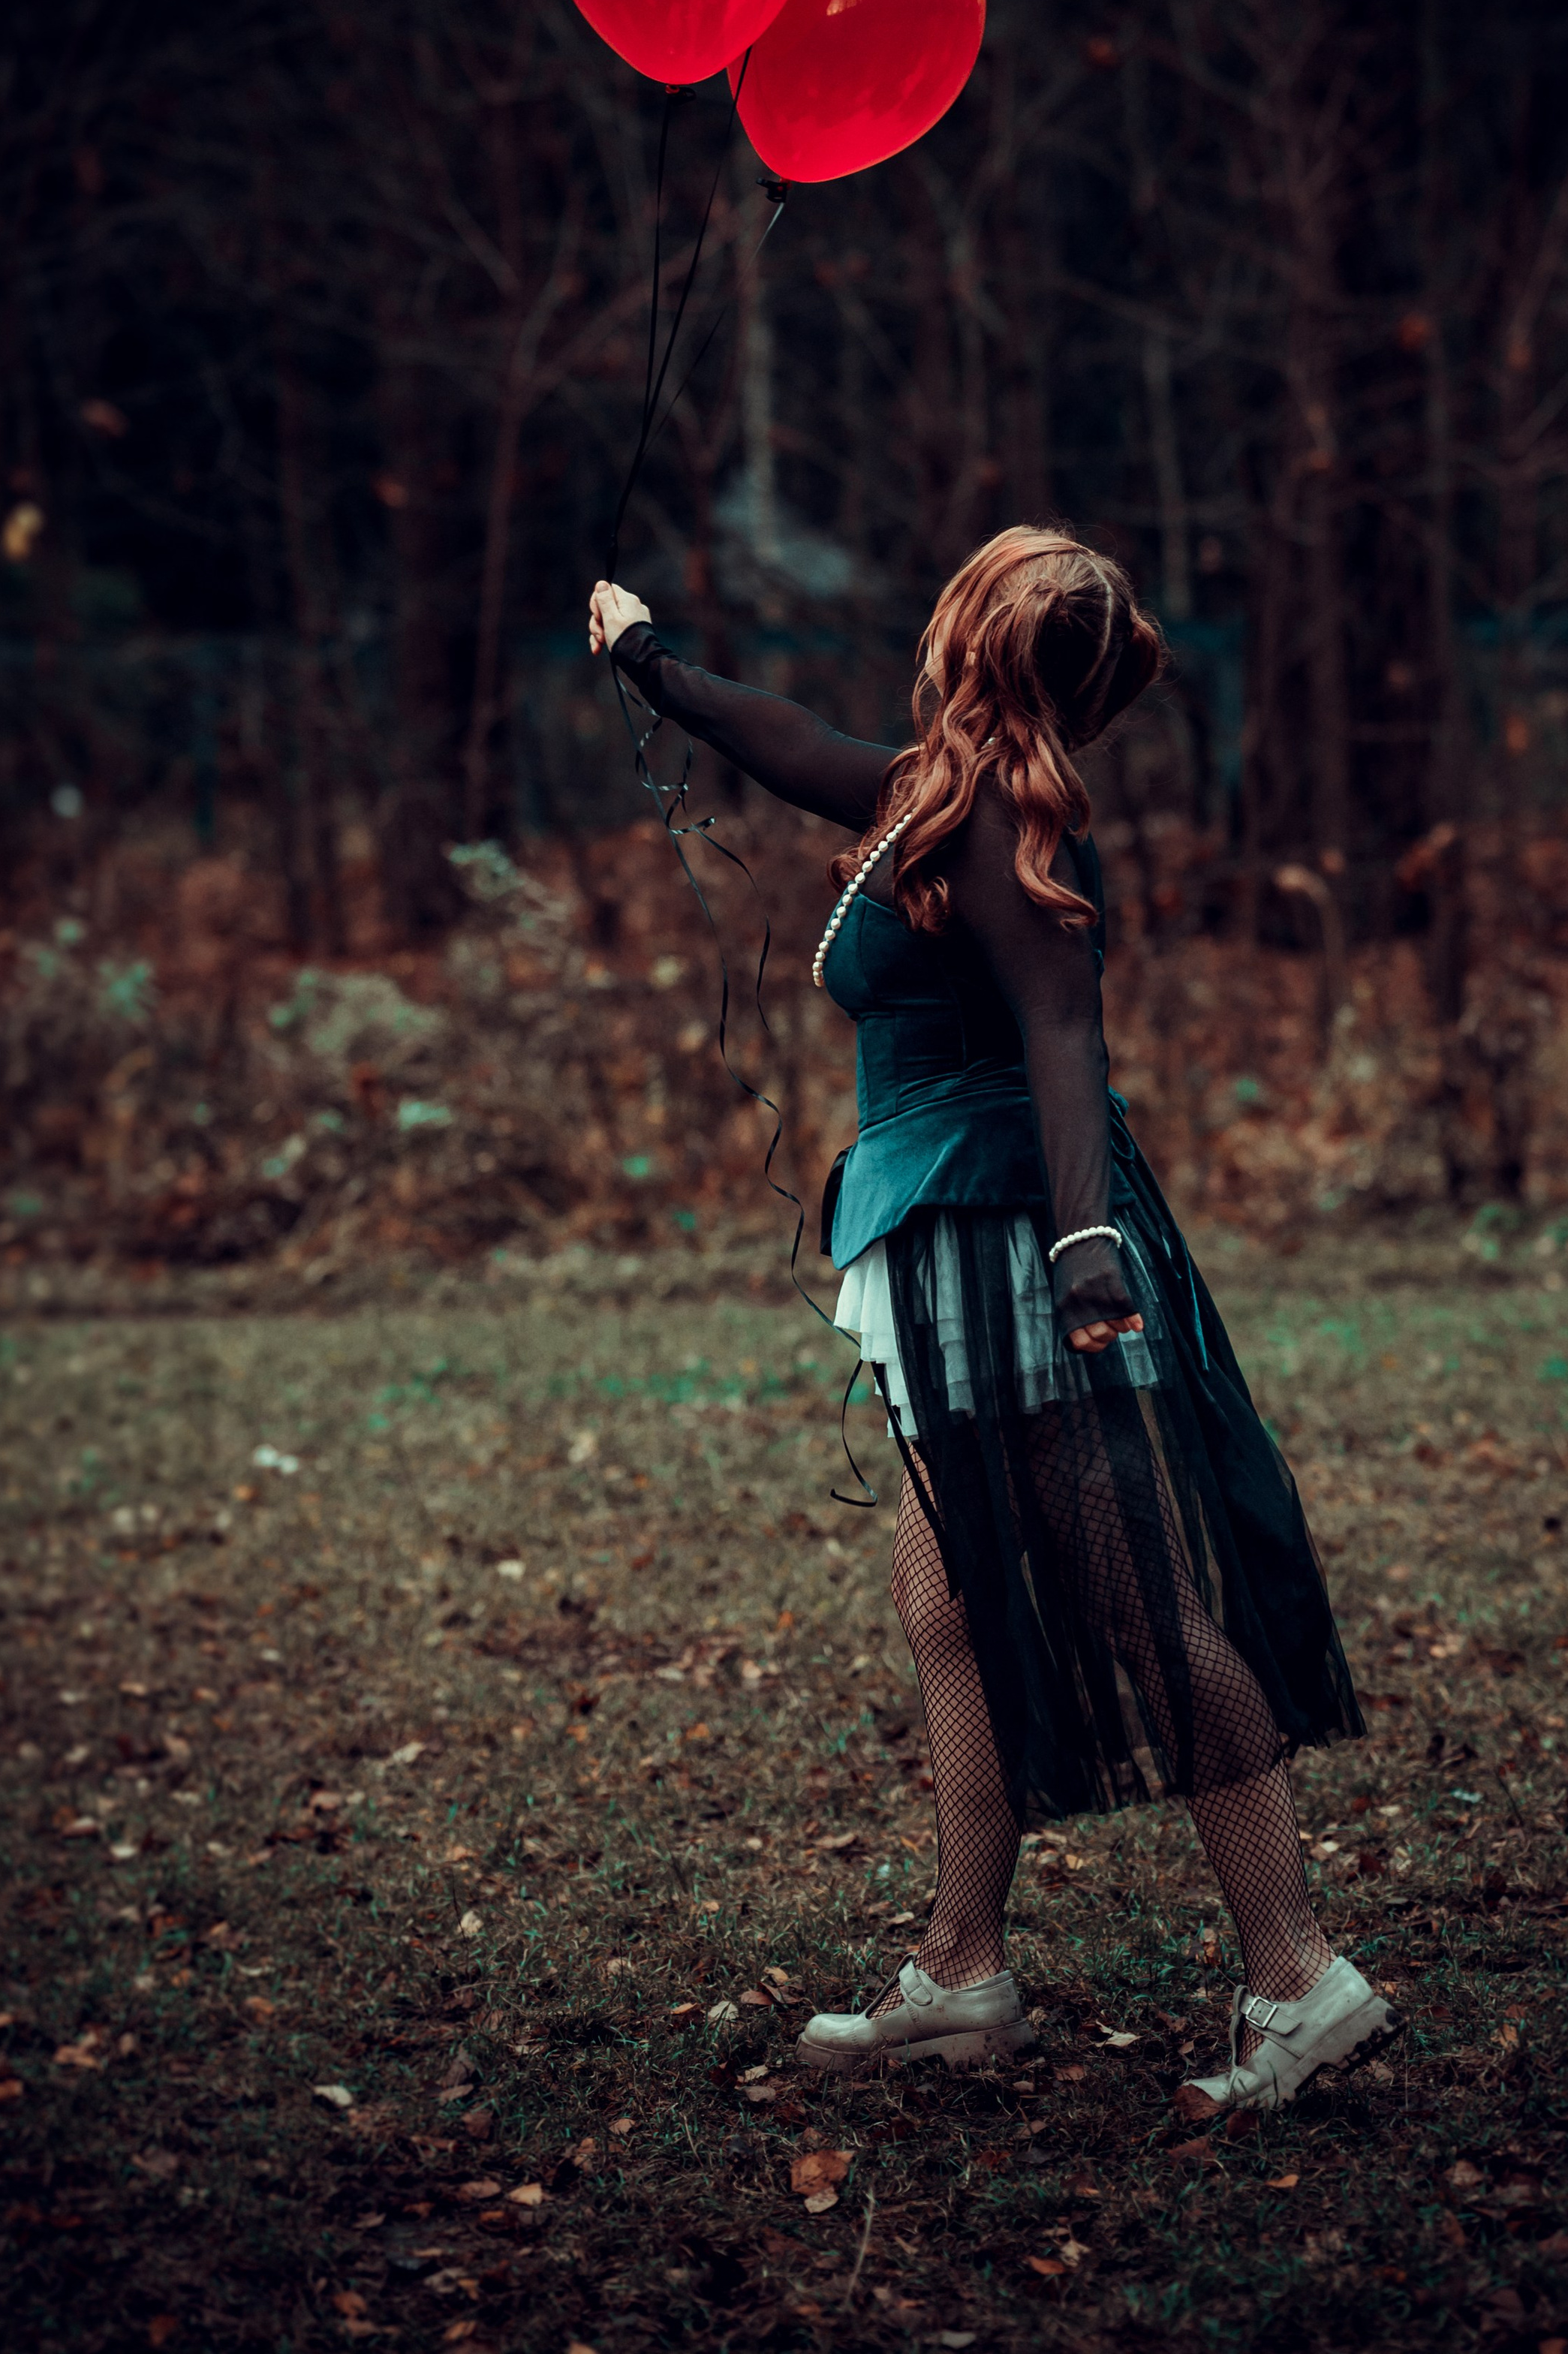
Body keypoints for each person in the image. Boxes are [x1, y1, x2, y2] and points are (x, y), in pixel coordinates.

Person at [588, 526, 1391, 2109]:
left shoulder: (1007, 820)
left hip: (1008, 1245)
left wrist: (1086, 1243)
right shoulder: (928, 792)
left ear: (972, 638)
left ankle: (1299, 1977)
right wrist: (646, 662)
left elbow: (1062, 1038)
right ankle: (961, 1970)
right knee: (943, 1601)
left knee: (1136, 1605)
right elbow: (791, 740)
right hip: (944, 1232)